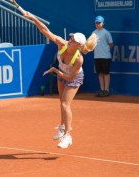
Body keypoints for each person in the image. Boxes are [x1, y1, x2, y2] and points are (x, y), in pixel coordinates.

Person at [20, 8, 87, 149]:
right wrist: (32, 17)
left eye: (73, 40)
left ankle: (68, 136)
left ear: (79, 46)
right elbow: (45, 30)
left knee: (65, 104)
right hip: (62, 72)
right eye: (71, 38)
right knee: (61, 101)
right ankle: (62, 127)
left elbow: (70, 77)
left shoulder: (79, 60)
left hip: (72, 77)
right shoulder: (62, 44)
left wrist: (55, 70)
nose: (70, 40)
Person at [92, 15, 113, 97]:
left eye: (99, 23)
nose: (97, 24)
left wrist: (106, 51)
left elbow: (111, 44)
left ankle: (106, 90)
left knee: (106, 73)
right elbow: (91, 44)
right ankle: (102, 90)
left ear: (103, 23)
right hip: (97, 56)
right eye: (96, 23)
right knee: (100, 73)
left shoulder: (106, 33)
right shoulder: (93, 33)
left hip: (105, 57)